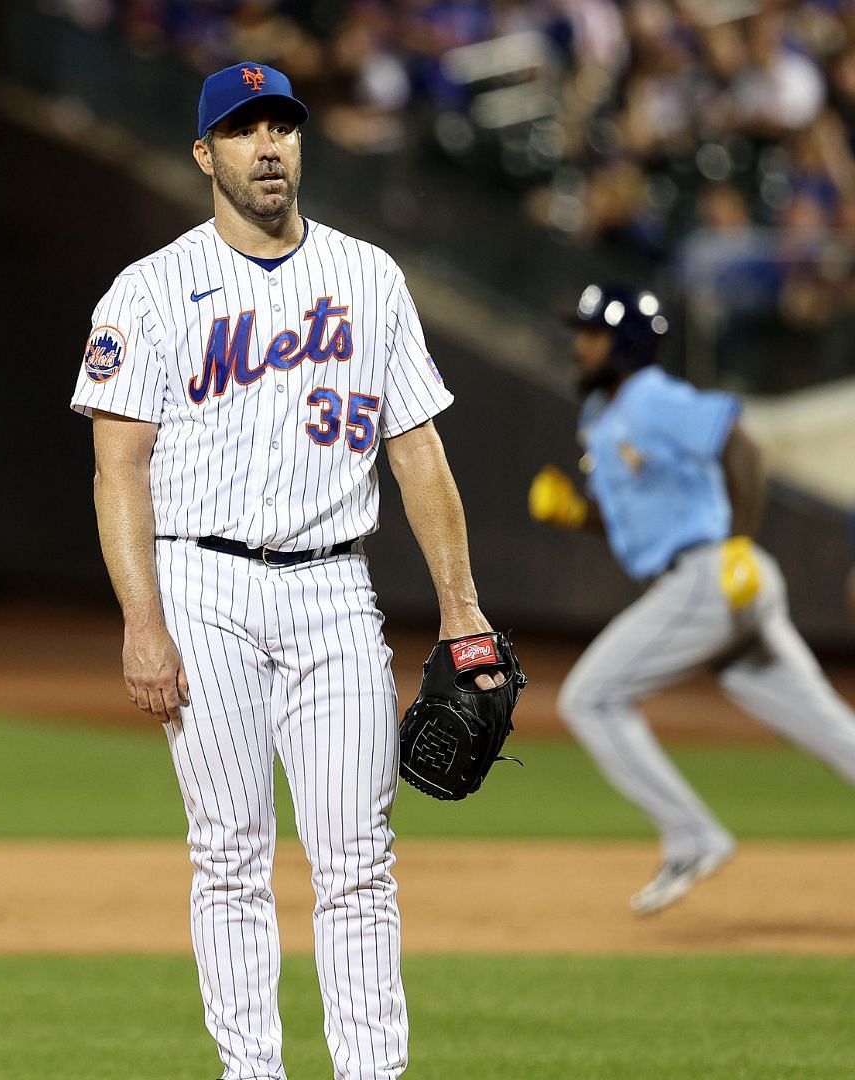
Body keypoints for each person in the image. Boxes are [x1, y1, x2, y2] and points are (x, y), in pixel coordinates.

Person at [73, 62, 499, 1080]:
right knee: (230, 853)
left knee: (358, 860)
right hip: (201, 584)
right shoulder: (150, 289)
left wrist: (463, 610)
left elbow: (418, 454)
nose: (267, 146)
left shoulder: (369, 278)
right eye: (243, 130)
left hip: (333, 588)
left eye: (282, 128)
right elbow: (117, 470)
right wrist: (143, 619)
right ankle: (251, 1073)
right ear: (204, 154)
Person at [530, 282, 855, 915]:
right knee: (828, 726)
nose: (579, 344)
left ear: (622, 343)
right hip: (720, 585)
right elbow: (638, 519)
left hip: (715, 574)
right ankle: (692, 834)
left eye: (592, 333)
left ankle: (692, 835)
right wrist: (579, 516)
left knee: (590, 697)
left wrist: (737, 540)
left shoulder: (651, 397)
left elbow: (742, 447)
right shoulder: (602, 417)